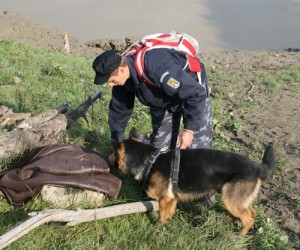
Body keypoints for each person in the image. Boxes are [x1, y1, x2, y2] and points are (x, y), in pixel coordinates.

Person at [92, 45, 214, 205]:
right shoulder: (122, 82)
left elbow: (195, 94)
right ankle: (159, 189)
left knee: (198, 149)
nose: (110, 85)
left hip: (191, 93)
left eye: (111, 80)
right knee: (158, 150)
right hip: (160, 99)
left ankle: (203, 195)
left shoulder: (157, 67)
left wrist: (190, 130)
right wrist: (117, 146)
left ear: (121, 69)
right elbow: (118, 111)